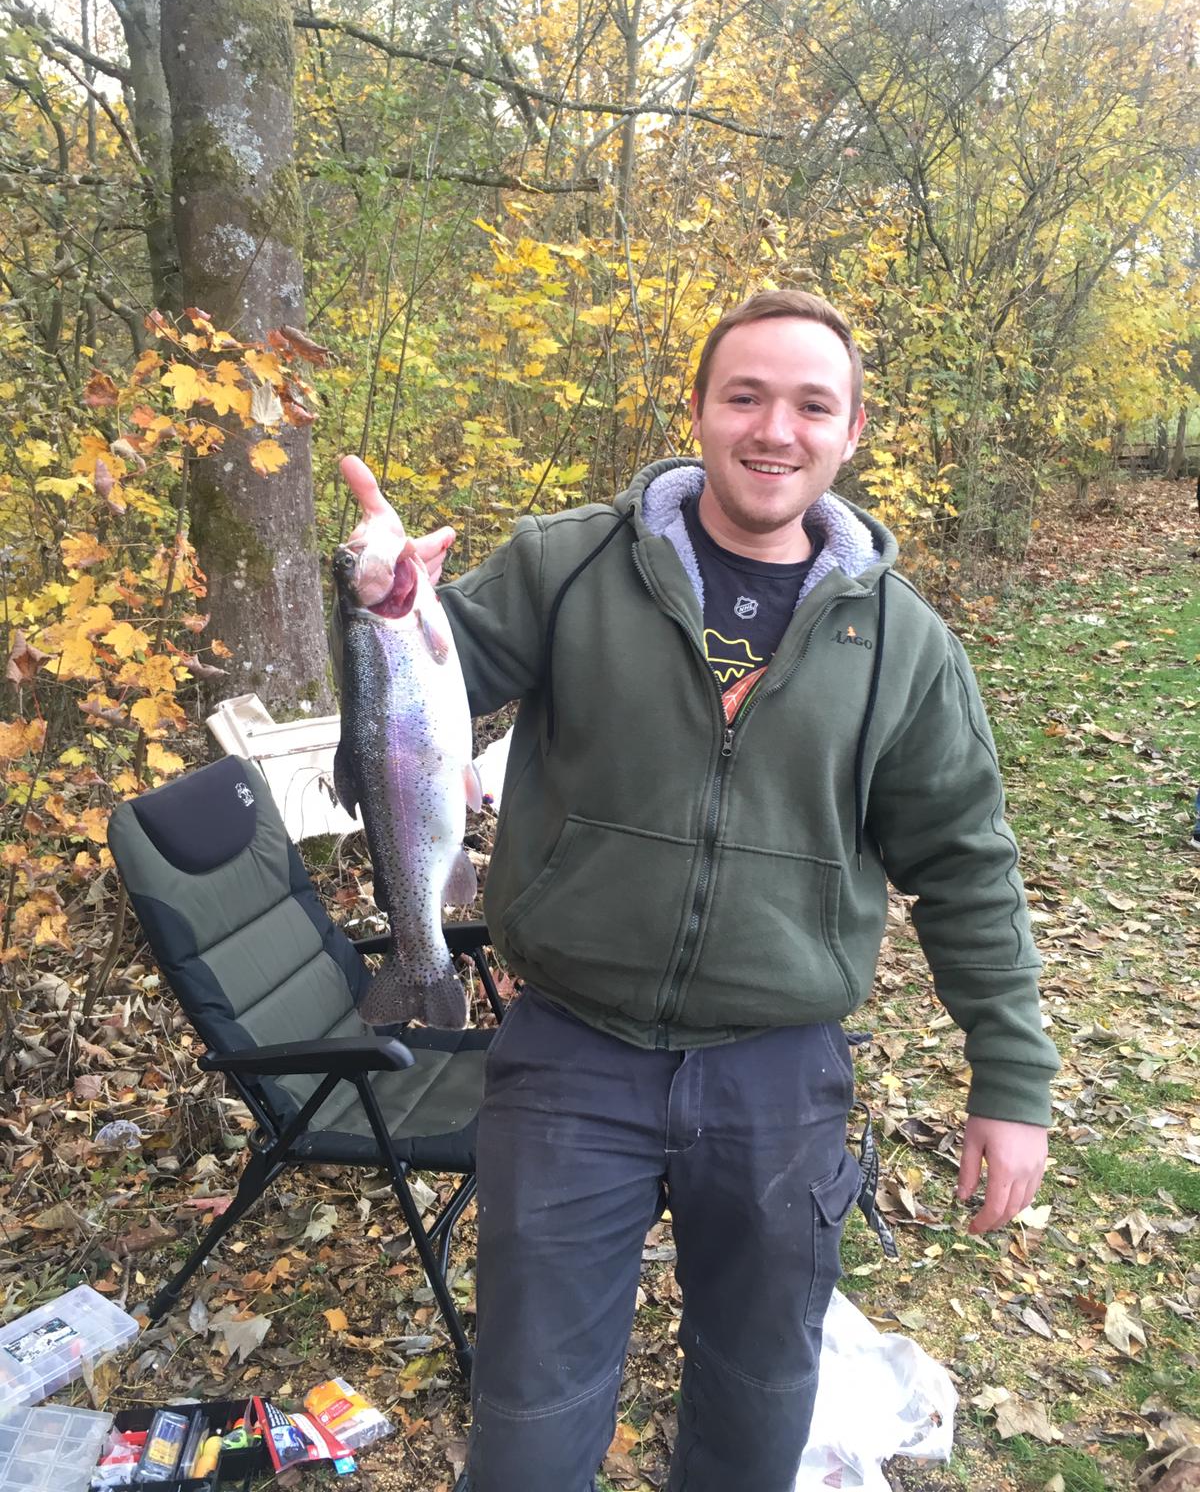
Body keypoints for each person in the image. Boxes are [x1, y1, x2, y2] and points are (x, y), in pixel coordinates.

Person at [338, 289, 1060, 1492]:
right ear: (699, 411)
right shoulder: (568, 565)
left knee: (756, 1411)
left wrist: (1013, 1078)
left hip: (780, 1075)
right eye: (746, 396)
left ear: (851, 431)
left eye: (810, 405)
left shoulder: (904, 644)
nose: (774, 428)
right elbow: (415, 702)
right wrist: (384, 604)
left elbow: (967, 864)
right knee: (529, 1426)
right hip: (571, 1059)